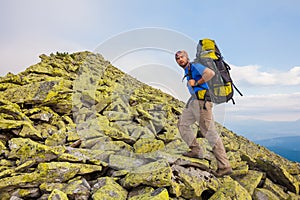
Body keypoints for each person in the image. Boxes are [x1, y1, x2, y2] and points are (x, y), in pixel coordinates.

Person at [175, 50, 232, 177]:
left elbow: (210, 73)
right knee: (182, 124)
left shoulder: (195, 66)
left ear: (187, 57)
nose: (180, 60)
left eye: (182, 57)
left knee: (209, 132)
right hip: (194, 102)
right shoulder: (188, 70)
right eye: (177, 58)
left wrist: (196, 82)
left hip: (203, 103)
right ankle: (195, 150)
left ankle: (224, 166)